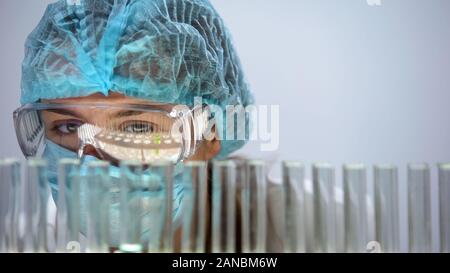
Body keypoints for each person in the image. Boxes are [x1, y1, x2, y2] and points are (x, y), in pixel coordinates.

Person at [14, 0, 258, 251]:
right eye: (69, 127)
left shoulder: (290, 230)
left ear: (210, 132)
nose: (93, 164)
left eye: (137, 127)